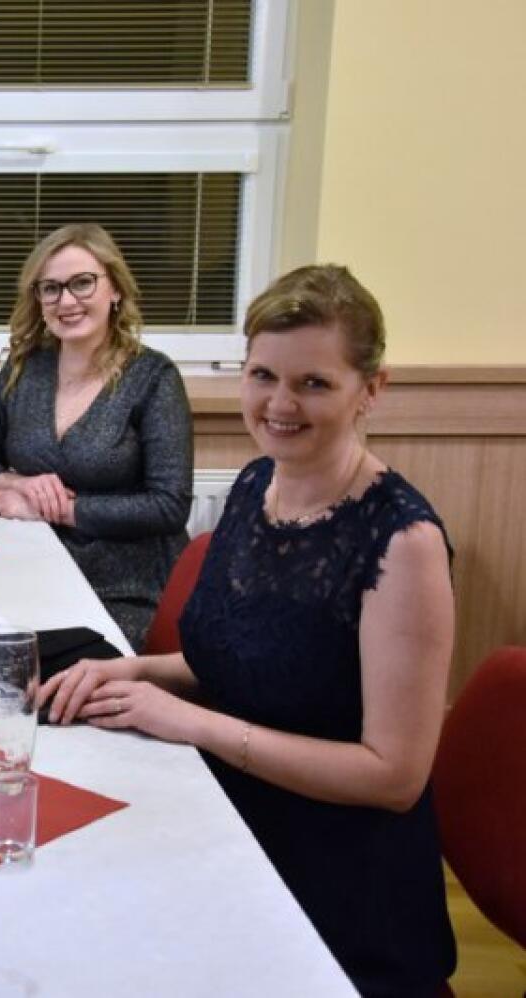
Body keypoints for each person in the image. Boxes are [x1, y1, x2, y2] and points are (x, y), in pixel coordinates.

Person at [40, 265, 456, 995]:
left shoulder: (402, 541)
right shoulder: (255, 484)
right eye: (263, 375)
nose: (279, 404)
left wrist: (191, 724)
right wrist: (132, 671)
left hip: (337, 888)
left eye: (313, 383)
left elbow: (394, 777)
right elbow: (246, 658)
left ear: (372, 389)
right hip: (226, 815)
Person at [0, 223, 192, 650]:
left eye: (82, 283)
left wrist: (58, 509)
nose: (66, 301)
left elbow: (169, 506)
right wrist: (19, 484)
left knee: (49, 670)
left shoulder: (153, 377)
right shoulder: (24, 369)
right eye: (51, 289)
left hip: (126, 588)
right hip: (32, 566)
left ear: (115, 289)